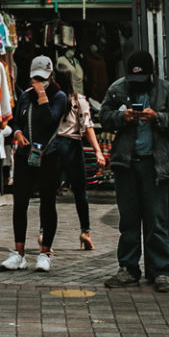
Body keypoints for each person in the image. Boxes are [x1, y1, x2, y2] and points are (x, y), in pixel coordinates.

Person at [99, 49, 169, 291]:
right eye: (133, 79)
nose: (136, 85)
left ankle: (160, 271)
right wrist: (122, 117)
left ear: (151, 75)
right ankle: (128, 268)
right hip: (126, 164)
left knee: (157, 220)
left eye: (141, 79)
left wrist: (158, 117)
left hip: (155, 165)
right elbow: (103, 116)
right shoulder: (118, 89)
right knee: (128, 220)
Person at [0, 54, 67, 272]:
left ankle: (45, 252)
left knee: (48, 203)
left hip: (49, 155)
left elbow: (50, 121)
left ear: (50, 76)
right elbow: (16, 121)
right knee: (20, 203)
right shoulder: (25, 97)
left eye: (42, 78)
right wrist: (17, 133)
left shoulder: (59, 97)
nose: (38, 82)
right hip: (25, 156)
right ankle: (19, 252)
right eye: (35, 78)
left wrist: (43, 97)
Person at [51, 67, 103, 252]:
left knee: (49, 193)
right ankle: (85, 232)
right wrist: (98, 151)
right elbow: (87, 126)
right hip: (72, 145)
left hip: (53, 146)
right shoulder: (78, 100)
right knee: (80, 192)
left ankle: (44, 234)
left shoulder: (50, 99)